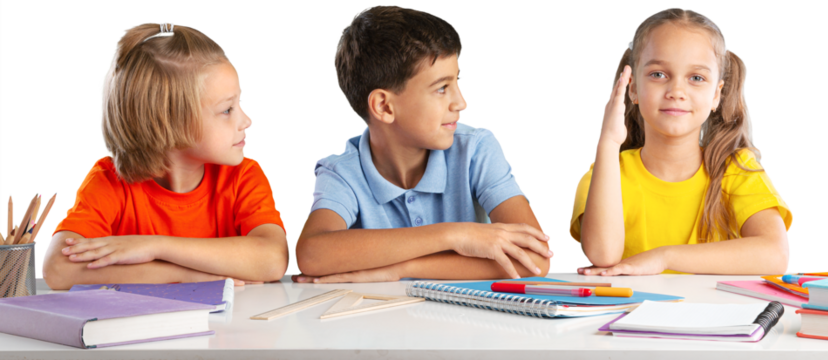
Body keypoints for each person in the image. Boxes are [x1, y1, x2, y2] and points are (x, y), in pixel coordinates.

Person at [292, 5, 553, 284]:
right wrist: (454, 235)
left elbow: (535, 259)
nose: (461, 102)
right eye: (442, 88)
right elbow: (312, 255)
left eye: (457, 82)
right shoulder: (342, 171)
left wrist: (400, 270)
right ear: (384, 106)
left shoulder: (476, 149)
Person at [42, 21, 289, 290]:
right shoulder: (109, 181)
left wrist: (152, 246)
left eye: (239, 104)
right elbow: (58, 269)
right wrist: (187, 275)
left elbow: (273, 260)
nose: (247, 120)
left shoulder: (243, 175)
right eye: (227, 110)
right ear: (170, 122)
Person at [570, 6, 793, 276]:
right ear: (634, 88)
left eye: (696, 78)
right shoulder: (604, 174)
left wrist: (664, 257)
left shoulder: (735, 169)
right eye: (658, 74)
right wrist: (607, 142)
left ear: (716, 95)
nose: (676, 91)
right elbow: (602, 255)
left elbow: (775, 255)